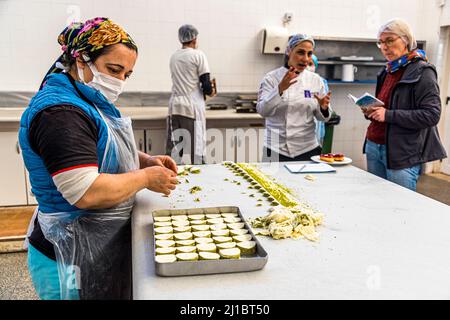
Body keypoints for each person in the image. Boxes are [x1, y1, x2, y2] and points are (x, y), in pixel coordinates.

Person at [19, 17, 178, 300]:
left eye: (126, 75)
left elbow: (98, 149)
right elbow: (86, 192)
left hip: (91, 243)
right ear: (81, 60)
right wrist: (144, 178)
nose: (118, 81)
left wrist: (144, 160)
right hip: (67, 251)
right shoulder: (60, 114)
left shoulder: (84, 98)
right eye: (113, 69)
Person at [363, 18, 447, 191]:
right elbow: (386, 106)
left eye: (390, 40)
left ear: (406, 40)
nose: (385, 47)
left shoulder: (423, 71)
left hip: (402, 153)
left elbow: (432, 114)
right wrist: (371, 110)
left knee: (401, 208)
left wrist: (387, 115)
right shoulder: (387, 70)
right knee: (375, 203)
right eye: (381, 42)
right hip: (374, 145)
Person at [256, 34, 332, 162]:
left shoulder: (315, 80)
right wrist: (279, 89)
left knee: (308, 182)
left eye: (309, 54)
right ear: (289, 51)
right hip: (275, 148)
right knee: (271, 182)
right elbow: (263, 111)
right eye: (300, 52)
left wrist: (323, 108)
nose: (306, 59)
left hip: (307, 148)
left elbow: (323, 117)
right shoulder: (271, 78)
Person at [166, 24, 216, 165]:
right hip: (192, 108)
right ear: (194, 38)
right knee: (196, 150)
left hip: (175, 107)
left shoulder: (174, 57)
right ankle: (199, 179)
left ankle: (174, 176)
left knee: (176, 148)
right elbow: (206, 85)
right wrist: (211, 92)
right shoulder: (198, 55)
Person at [307, 54, 329, 146]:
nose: (307, 67)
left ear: (315, 66)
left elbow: (326, 104)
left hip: (316, 122)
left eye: (310, 64)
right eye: (306, 64)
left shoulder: (321, 82)